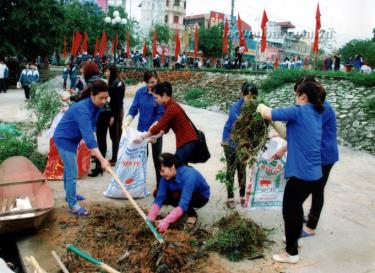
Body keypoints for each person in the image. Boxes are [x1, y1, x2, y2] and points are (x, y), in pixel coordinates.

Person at [257, 80, 325, 264]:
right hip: (315, 174)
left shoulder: (298, 110)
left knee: (289, 210)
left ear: (303, 96)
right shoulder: (316, 113)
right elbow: (299, 136)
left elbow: (269, 114)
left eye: (296, 95)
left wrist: (260, 106)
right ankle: (296, 239)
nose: (295, 98)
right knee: (296, 207)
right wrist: (283, 149)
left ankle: (291, 252)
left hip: (301, 174)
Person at [53, 80, 110, 216]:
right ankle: (73, 205)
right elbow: (89, 140)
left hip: (73, 139)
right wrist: (102, 160)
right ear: (92, 95)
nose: (103, 101)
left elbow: (92, 127)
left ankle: (69, 195)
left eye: (106, 98)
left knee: (69, 169)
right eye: (101, 98)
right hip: (64, 139)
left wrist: (91, 133)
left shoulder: (96, 106)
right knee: (73, 172)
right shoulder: (82, 110)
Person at [136, 81, 199, 165]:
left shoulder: (171, 108)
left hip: (187, 141)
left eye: (156, 97)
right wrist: (156, 137)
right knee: (181, 167)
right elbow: (165, 127)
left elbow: (159, 126)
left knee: (177, 167)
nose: (155, 100)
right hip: (187, 141)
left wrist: (142, 136)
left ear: (164, 95)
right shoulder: (170, 105)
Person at [147, 153, 210, 232]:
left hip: (199, 197)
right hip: (180, 193)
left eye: (163, 170)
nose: (161, 174)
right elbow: (160, 196)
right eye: (159, 171)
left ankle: (192, 214)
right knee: (156, 193)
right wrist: (151, 216)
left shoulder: (189, 175)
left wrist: (166, 221)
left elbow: (184, 202)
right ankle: (178, 212)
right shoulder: (165, 176)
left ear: (172, 166)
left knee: (179, 198)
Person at [123, 70, 164, 185]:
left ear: (157, 80)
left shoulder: (160, 94)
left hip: (156, 132)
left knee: (157, 159)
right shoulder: (140, 92)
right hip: (141, 131)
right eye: (147, 82)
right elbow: (133, 109)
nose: (150, 85)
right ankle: (138, 184)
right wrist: (126, 122)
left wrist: (153, 132)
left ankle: (160, 185)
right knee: (140, 158)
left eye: (152, 82)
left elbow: (161, 115)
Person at [222, 82, 258, 209]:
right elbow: (239, 125)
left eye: (254, 97)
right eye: (248, 97)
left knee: (242, 168)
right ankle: (230, 196)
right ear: (242, 95)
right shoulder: (235, 108)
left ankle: (242, 195)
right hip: (230, 141)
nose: (251, 100)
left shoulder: (257, 108)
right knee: (231, 168)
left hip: (244, 143)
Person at [90, 65, 125, 175]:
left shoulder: (118, 83)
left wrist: (113, 116)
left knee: (115, 136)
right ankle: (105, 159)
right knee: (109, 137)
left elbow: (117, 102)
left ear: (112, 71)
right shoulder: (112, 82)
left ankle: (114, 158)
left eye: (107, 71)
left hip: (114, 113)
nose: (106, 72)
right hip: (110, 112)